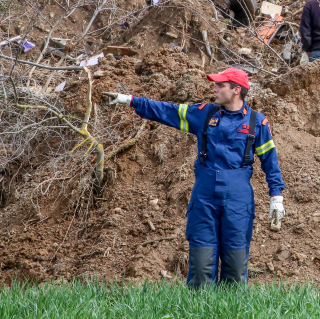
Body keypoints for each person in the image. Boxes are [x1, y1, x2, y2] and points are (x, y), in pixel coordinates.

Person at [102, 67, 285, 287]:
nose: (214, 89)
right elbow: (166, 111)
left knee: (236, 266)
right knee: (201, 264)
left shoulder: (257, 122)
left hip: (238, 200)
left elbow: (270, 163)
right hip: (204, 198)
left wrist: (277, 197)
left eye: (220, 85)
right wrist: (129, 100)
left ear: (236, 90)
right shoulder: (204, 114)